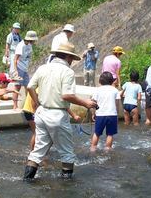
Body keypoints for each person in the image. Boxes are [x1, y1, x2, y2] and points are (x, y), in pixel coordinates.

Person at [23, 42, 97, 180]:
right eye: (71, 59)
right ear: (68, 57)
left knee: (37, 152)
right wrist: (86, 103)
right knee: (67, 153)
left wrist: (38, 103)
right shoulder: (67, 72)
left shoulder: (42, 68)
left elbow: (29, 87)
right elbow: (66, 95)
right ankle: (67, 186)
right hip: (57, 115)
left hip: (41, 113)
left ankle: (26, 181)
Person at [90, 72, 120, 152]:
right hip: (112, 114)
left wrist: (93, 113)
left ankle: (93, 148)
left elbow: (93, 103)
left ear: (100, 81)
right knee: (110, 134)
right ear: (111, 81)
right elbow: (117, 105)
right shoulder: (115, 90)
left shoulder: (98, 90)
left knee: (97, 133)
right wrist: (116, 114)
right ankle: (107, 149)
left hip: (100, 114)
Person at [12, 31, 38, 109]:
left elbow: (28, 57)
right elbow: (15, 59)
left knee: (28, 87)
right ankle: (15, 105)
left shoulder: (29, 45)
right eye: (33, 40)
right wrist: (16, 71)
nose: (34, 41)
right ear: (30, 39)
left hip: (25, 68)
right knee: (17, 86)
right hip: (19, 68)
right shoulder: (21, 45)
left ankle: (28, 105)